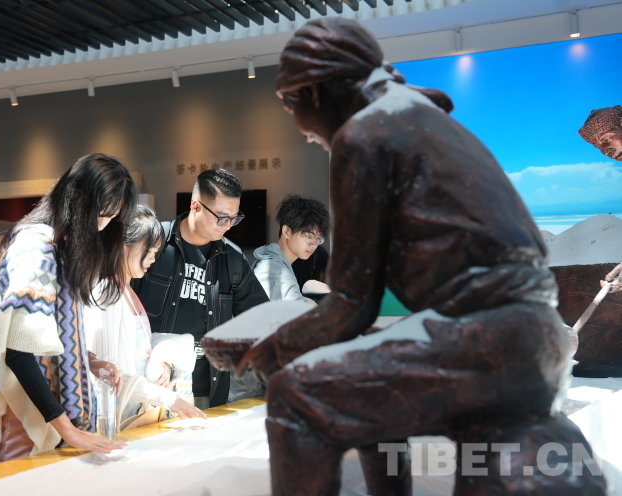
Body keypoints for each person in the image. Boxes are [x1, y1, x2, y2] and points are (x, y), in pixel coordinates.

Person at [240, 18, 602, 496]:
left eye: (291, 103)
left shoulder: (363, 134)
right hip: (534, 341)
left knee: (294, 394)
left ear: (317, 89)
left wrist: (270, 348)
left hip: (482, 342)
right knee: (365, 387)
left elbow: (352, 304)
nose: (300, 128)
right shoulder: (426, 117)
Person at [0, 154, 135, 474]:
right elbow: (19, 354)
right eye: (100, 214)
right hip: (28, 409)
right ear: (77, 202)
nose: (102, 226)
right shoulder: (36, 247)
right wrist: (68, 429)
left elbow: (53, 337)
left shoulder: (61, 248)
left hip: (47, 409)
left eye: (111, 217)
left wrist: (90, 361)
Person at [132, 169, 269, 409]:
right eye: (222, 217)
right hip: (153, 384)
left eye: (234, 218)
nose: (228, 226)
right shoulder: (155, 243)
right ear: (195, 206)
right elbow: (126, 311)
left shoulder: (232, 258)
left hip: (207, 389)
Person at [87, 204, 206, 427]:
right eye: (148, 251)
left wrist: (165, 364)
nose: (152, 259)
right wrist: (170, 400)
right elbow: (110, 376)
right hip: (116, 419)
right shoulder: (107, 291)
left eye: (155, 252)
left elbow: (138, 352)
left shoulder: (125, 289)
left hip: (135, 412)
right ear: (123, 245)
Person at [253, 195, 329, 302]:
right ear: (286, 231)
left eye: (319, 238)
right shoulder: (275, 271)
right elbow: (296, 310)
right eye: (309, 237)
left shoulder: (270, 259)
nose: (314, 244)